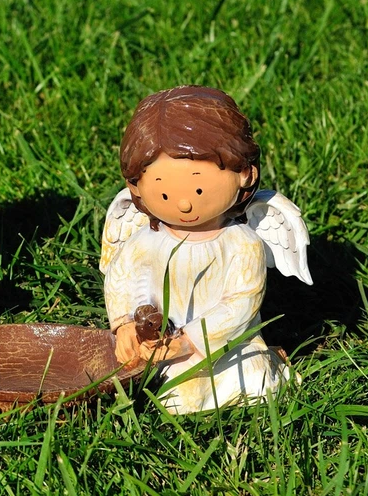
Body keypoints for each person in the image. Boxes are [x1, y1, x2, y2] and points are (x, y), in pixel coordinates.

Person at [102, 86, 310, 413]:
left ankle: (269, 365)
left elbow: (241, 303)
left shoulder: (242, 244)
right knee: (175, 401)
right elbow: (120, 279)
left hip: (226, 345)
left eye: (199, 189)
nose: (184, 204)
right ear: (135, 186)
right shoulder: (145, 240)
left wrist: (189, 341)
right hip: (160, 345)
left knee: (254, 384)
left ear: (244, 174)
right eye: (164, 194)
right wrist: (124, 323)